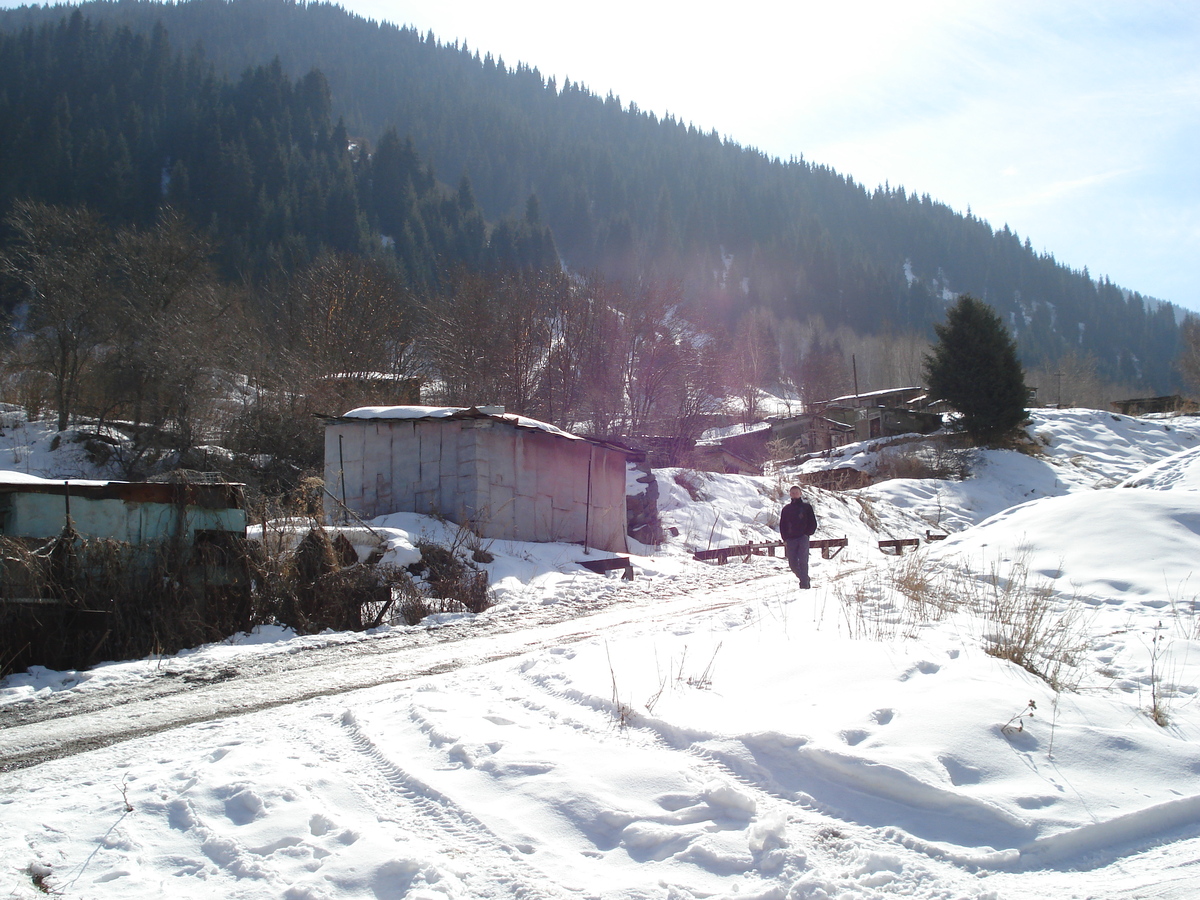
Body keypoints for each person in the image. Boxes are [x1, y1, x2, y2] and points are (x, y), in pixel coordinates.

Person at [779, 484, 816, 588]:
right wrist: (785, 538)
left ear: (800, 493)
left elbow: (813, 522)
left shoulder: (806, 507)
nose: (794, 494)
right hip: (791, 539)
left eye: (796, 492)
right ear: (790, 494)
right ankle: (804, 578)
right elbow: (782, 525)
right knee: (792, 564)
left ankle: (804, 585)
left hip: (803, 538)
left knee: (803, 561)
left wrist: (807, 533)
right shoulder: (786, 509)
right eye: (793, 493)